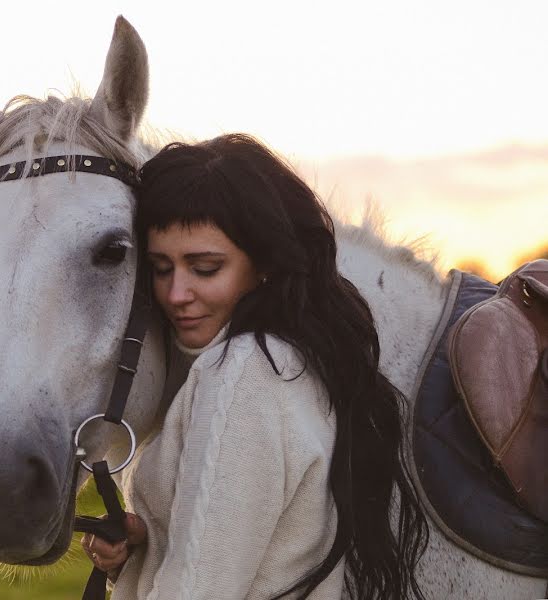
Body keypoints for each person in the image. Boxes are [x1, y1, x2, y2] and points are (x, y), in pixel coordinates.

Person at [81, 134, 428, 599]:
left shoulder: (241, 376)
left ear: (263, 264)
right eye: (162, 268)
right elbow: (258, 551)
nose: (176, 294)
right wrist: (147, 548)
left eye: (204, 268)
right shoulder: (293, 358)